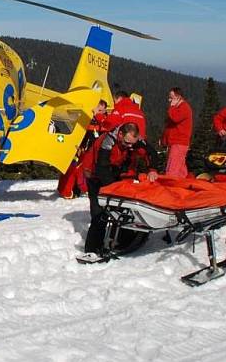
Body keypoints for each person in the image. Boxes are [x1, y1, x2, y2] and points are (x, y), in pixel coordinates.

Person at [81, 122, 159, 255]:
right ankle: (92, 249)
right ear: (120, 134)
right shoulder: (107, 142)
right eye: (127, 142)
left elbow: (152, 153)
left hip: (113, 171)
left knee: (123, 209)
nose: (130, 146)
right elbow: (101, 168)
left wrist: (152, 169)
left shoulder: (134, 140)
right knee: (99, 213)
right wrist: (114, 188)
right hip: (94, 174)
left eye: (132, 144)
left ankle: (124, 240)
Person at [56, 99, 108, 199]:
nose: (98, 112)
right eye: (98, 110)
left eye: (101, 110)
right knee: (73, 168)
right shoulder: (86, 119)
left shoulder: (103, 120)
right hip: (82, 148)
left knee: (82, 170)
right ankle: (67, 190)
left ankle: (78, 190)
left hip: (94, 151)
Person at [161, 87, 193, 178]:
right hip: (174, 142)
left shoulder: (184, 108)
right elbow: (169, 126)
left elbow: (175, 118)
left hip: (179, 143)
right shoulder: (178, 108)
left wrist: (172, 107)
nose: (169, 100)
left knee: (172, 169)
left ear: (178, 97)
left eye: (171, 97)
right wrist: (164, 140)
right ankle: (184, 185)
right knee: (180, 170)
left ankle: (169, 187)